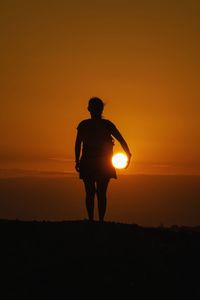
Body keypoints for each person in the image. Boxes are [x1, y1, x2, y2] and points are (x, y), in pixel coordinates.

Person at [75, 97, 132, 222]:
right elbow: (121, 139)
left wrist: (77, 161)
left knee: (91, 193)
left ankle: (93, 220)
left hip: (91, 162)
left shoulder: (85, 125)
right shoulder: (106, 125)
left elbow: (78, 143)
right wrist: (128, 154)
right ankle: (100, 221)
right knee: (100, 193)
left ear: (89, 109)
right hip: (100, 163)